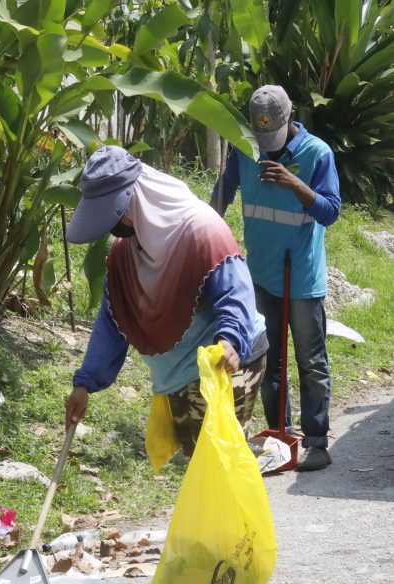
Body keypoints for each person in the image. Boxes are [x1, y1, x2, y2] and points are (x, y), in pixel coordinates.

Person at [64, 144, 268, 489]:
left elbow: (235, 291)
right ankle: (218, 539)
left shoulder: (200, 229)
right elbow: (113, 321)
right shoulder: (125, 253)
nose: (113, 226)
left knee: (219, 466)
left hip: (224, 363)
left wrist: (231, 341)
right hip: (178, 376)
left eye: (115, 214)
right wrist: (85, 383)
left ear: (135, 199)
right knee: (202, 469)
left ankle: (237, 540)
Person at [211, 85, 341, 472]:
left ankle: (317, 442)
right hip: (261, 274)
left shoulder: (317, 153)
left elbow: (331, 211)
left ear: (291, 118)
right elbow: (222, 195)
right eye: (261, 136)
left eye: (274, 136)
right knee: (268, 362)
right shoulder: (244, 151)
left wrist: (295, 184)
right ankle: (278, 436)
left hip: (301, 277)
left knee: (311, 361)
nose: (267, 146)